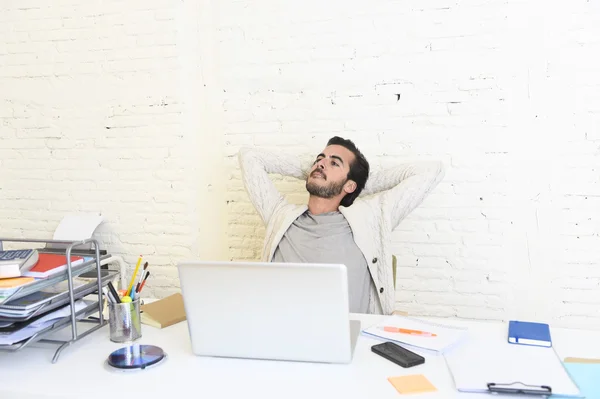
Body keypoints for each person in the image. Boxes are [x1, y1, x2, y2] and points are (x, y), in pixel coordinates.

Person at [238, 136, 444, 315]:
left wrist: (357, 184)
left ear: (350, 185)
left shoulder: (370, 219)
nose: (320, 164)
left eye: (334, 163)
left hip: (346, 342)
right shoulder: (280, 215)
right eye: (318, 160)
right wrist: (321, 172)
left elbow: (431, 170)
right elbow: (249, 157)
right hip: (279, 336)